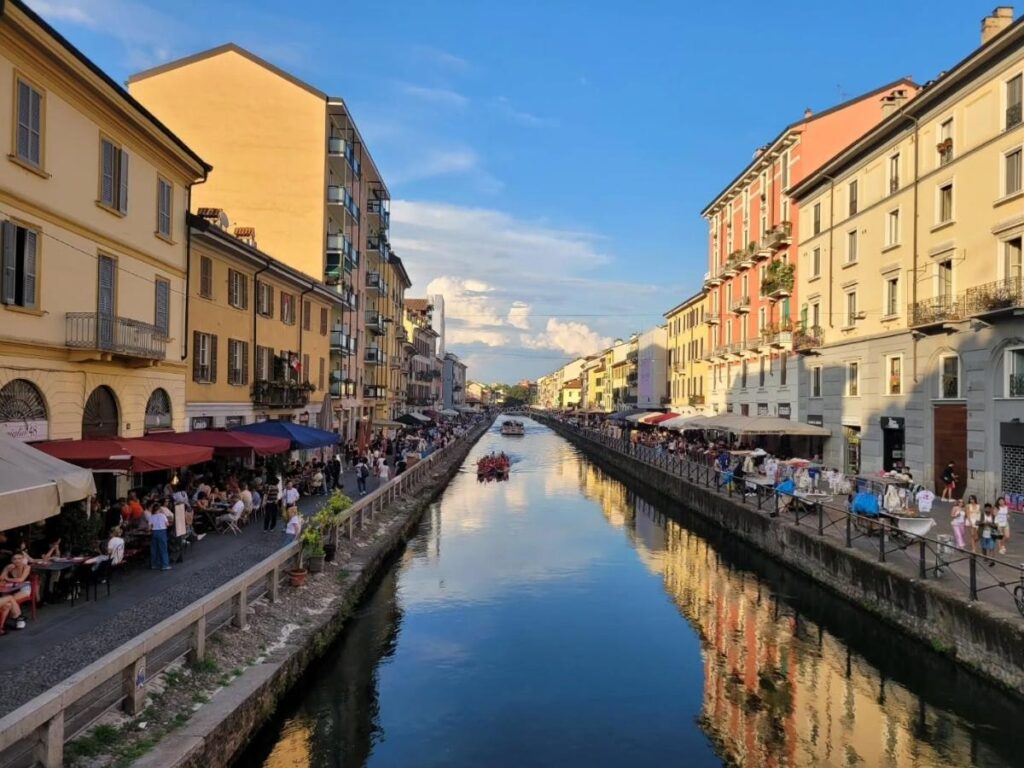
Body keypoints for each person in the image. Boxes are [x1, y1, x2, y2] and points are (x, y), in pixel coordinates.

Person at [0, 553, 31, 632]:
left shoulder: (27, 567)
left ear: (23, 559)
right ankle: (19, 618)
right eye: (15, 559)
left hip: (24, 588)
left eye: (19, 558)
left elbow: (21, 580)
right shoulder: (9, 567)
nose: (17, 560)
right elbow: (1, 578)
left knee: (11, 600)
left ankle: (16, 619)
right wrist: (6, 570)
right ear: (11, 560)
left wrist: (7, 579)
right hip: (10, 588)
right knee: (9, 602)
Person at [145, 501, 171, 571]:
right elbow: (167, 524)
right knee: (163, 549)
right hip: (162, 532)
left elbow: (149, 528)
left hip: (154, 532)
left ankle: (154, 564)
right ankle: (165, 565)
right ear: (159, 509)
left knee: (154, 549)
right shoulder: (163, 515)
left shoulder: (151, 517)